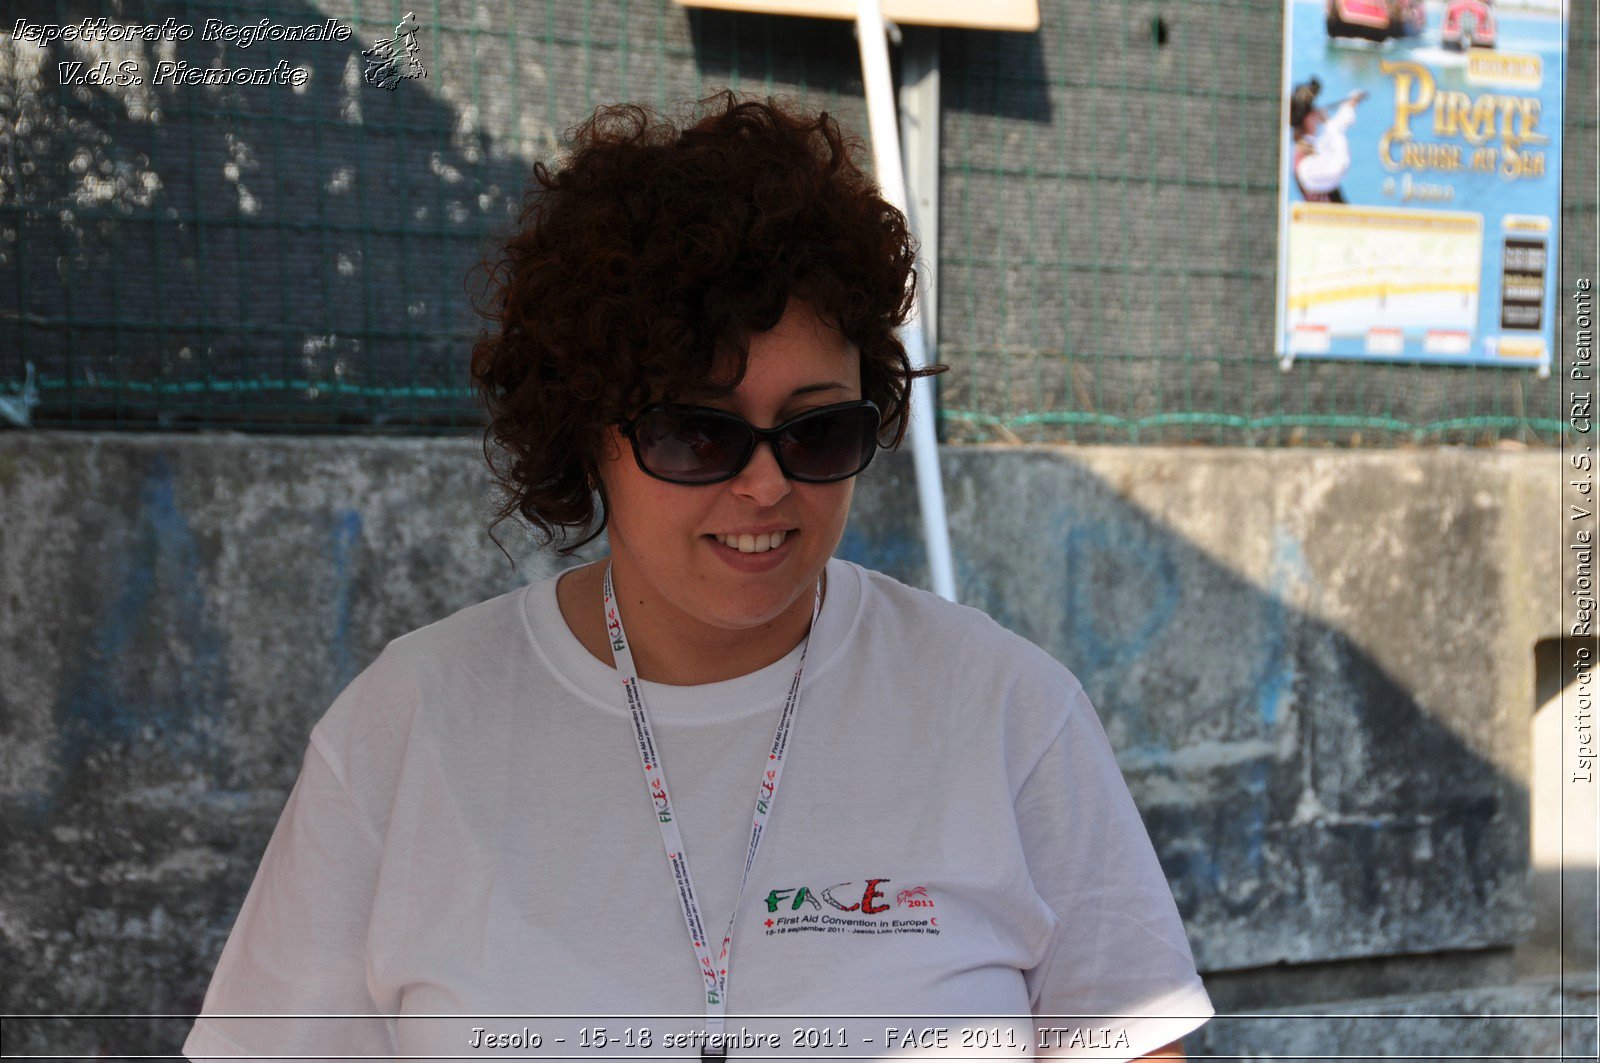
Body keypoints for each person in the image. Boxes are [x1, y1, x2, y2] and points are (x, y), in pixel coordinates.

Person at [183, 92, 1214, 1061]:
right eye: (694, 432)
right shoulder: (406, 731)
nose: (765, 486)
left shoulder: (1008, 715)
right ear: (589, 431)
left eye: (817, 431)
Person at [1289, 77, 1367, 203]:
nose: (1318, 115)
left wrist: (1350, 104)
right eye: (1314, 112)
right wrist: (1329, 124)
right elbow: (1340, 163)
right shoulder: (1306, 165)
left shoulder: (1314, 144)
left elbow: (1337, 126)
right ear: (1307, 120)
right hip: (1324, 221)